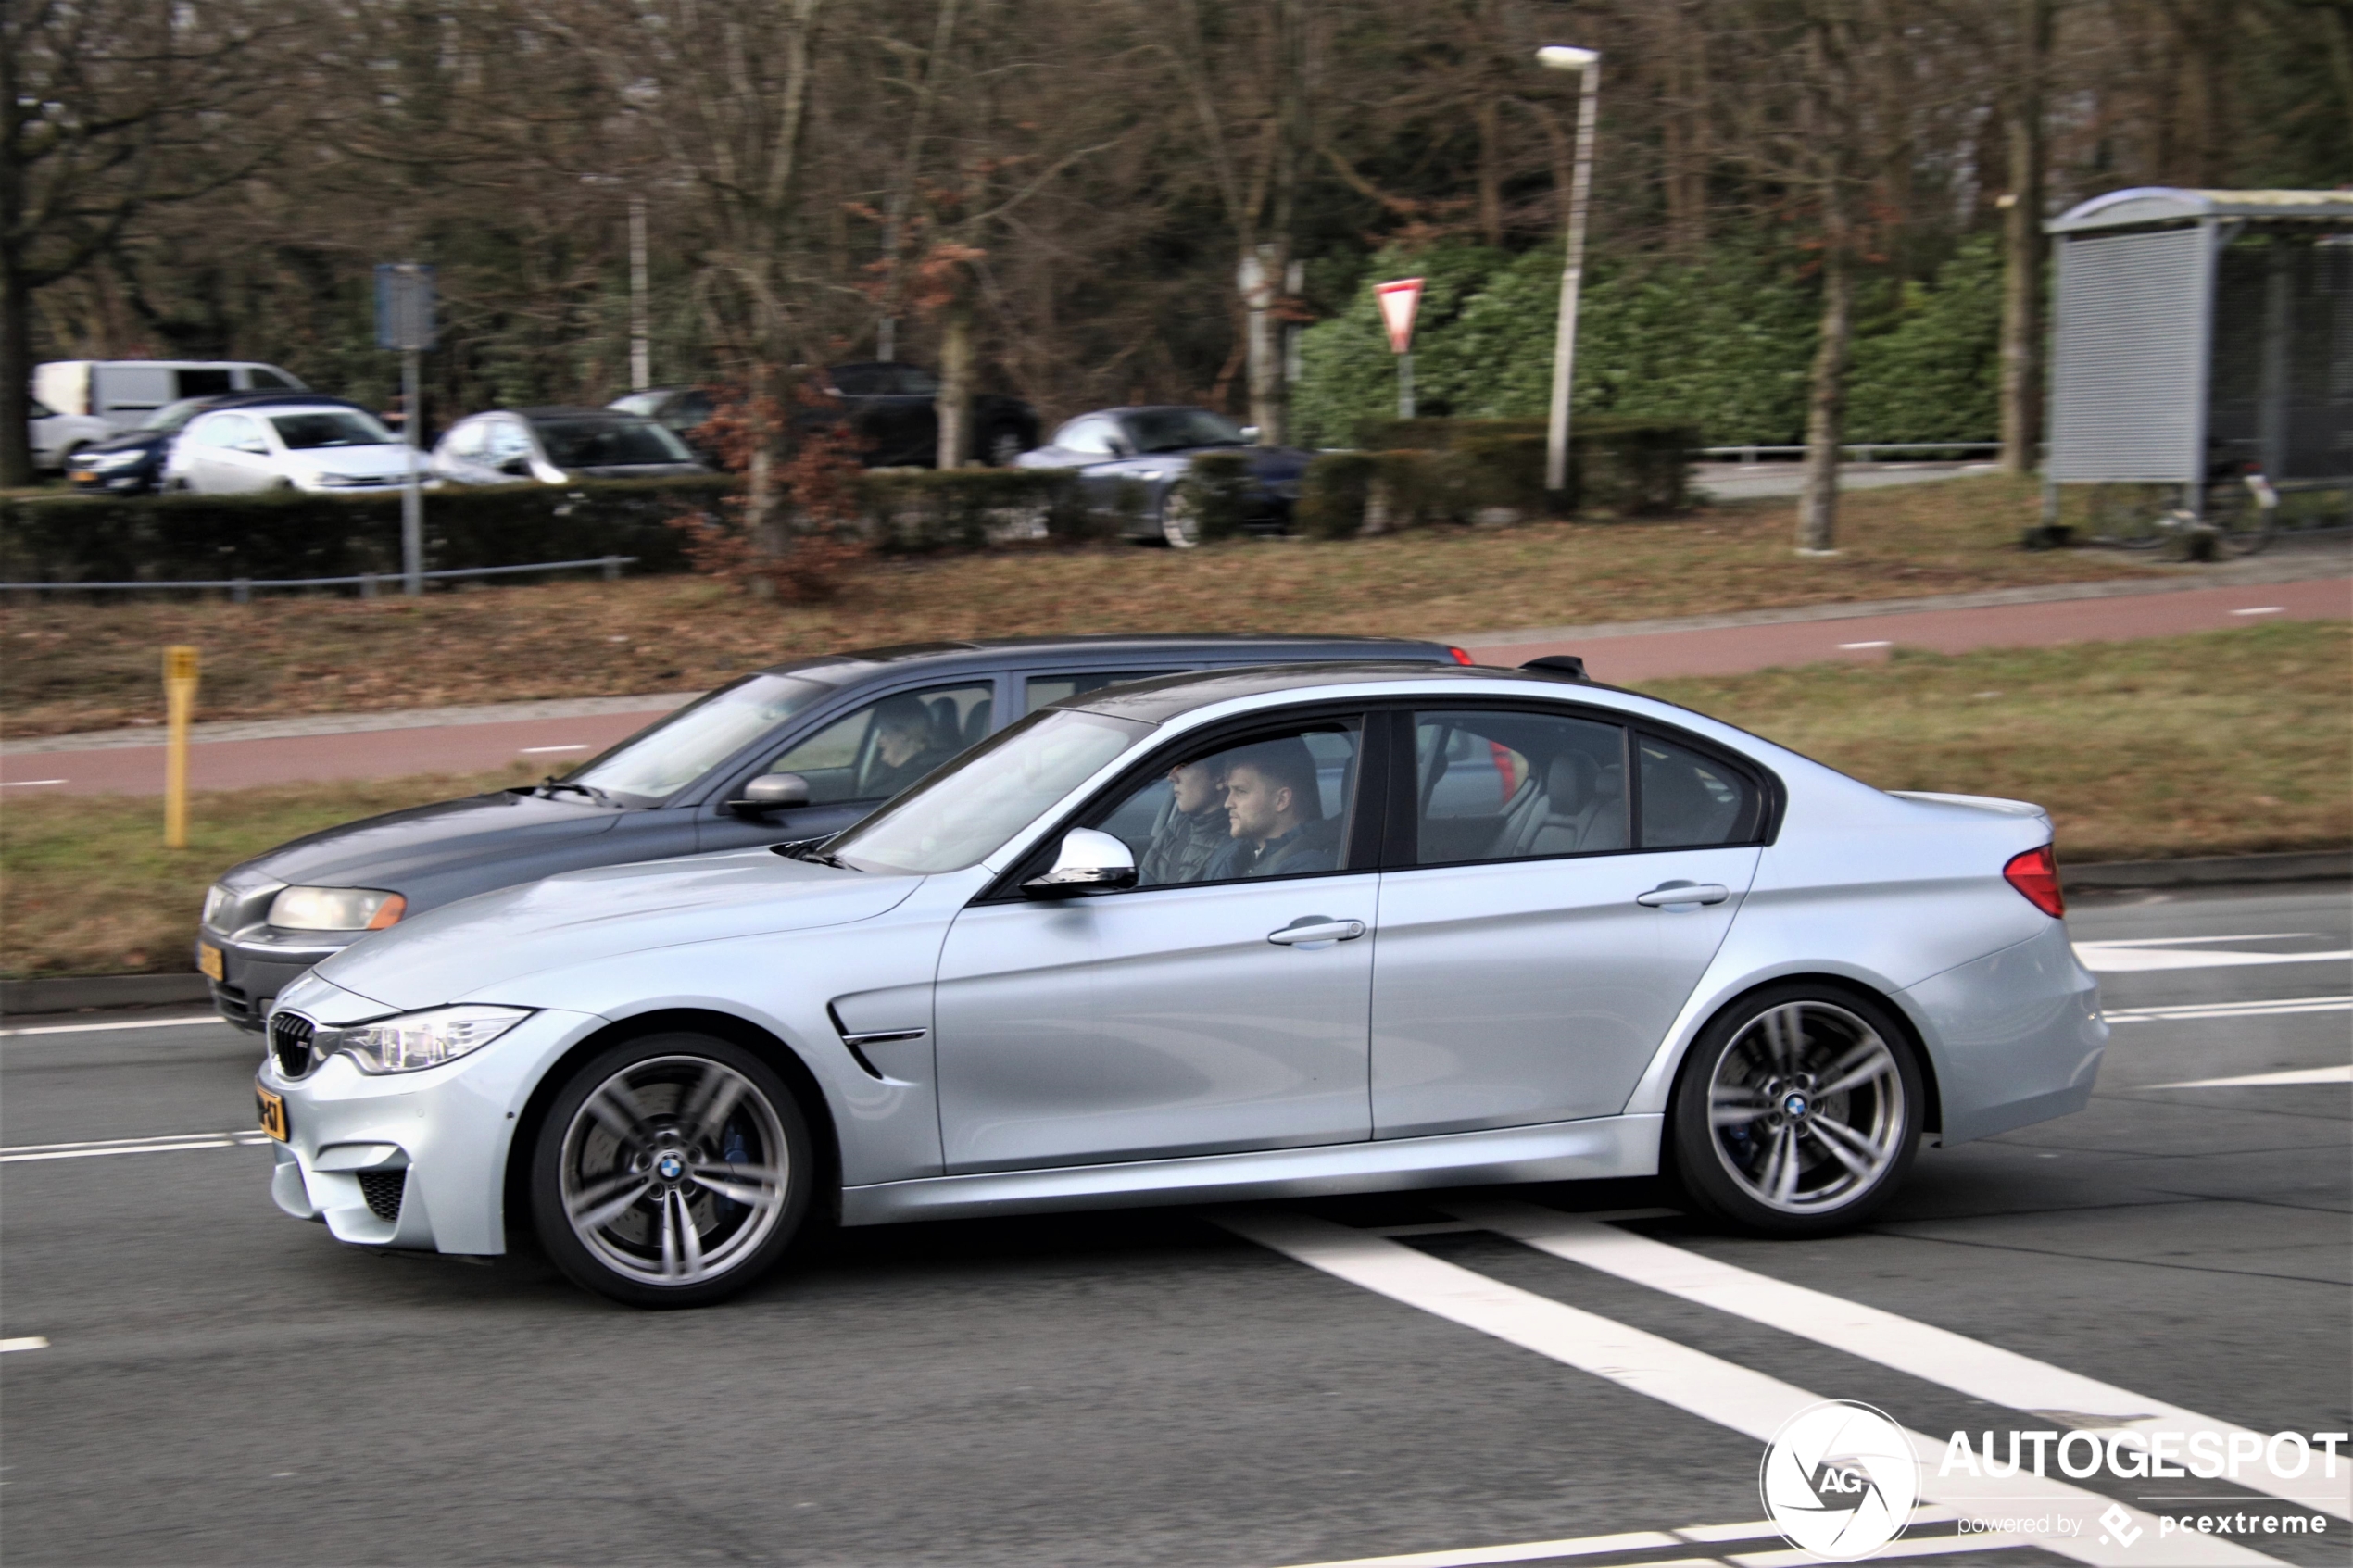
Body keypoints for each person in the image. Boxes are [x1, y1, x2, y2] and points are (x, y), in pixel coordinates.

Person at [1204, 737, 1341, 880]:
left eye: (1241, 791)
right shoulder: (1241, 857)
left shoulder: (1305, 872)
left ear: (1281, 800)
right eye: (1230, 791)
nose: (1228, 803)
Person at [1138, 756, 1230, 886]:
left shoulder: (1240, 840)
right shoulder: (1179, 826)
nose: (1171, 777)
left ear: (1220, 777)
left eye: (1184, 766)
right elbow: (1145, 883)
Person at [860, 696, 955, 799]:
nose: (878, 740)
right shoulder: (948, 766)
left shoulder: (897, 788)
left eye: (883, 732)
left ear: (902, 735)